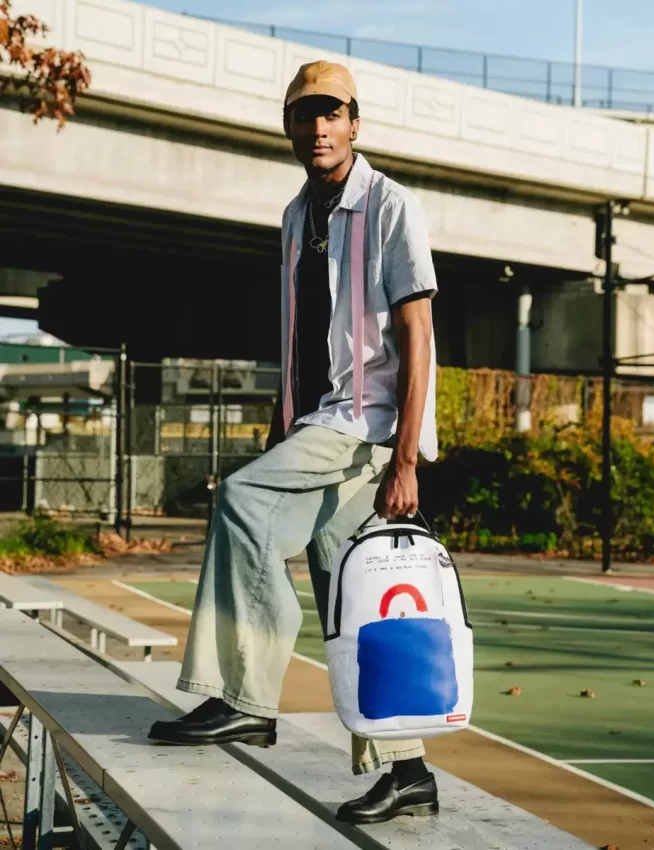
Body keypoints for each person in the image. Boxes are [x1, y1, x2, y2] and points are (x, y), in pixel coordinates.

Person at [149, 60, 440, 825]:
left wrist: (406, 458)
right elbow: (302, 336)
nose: (318, 126)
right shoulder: (294, 217)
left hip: (364, 425)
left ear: (354, 122)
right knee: (350, 598)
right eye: (304, 115)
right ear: (289, 129)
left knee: (241, 499)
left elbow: (418, 335)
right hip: (317, 424)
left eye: (331, 112)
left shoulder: (389, 206)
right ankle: (407, 770)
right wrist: (284, 423)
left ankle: (245, 698)